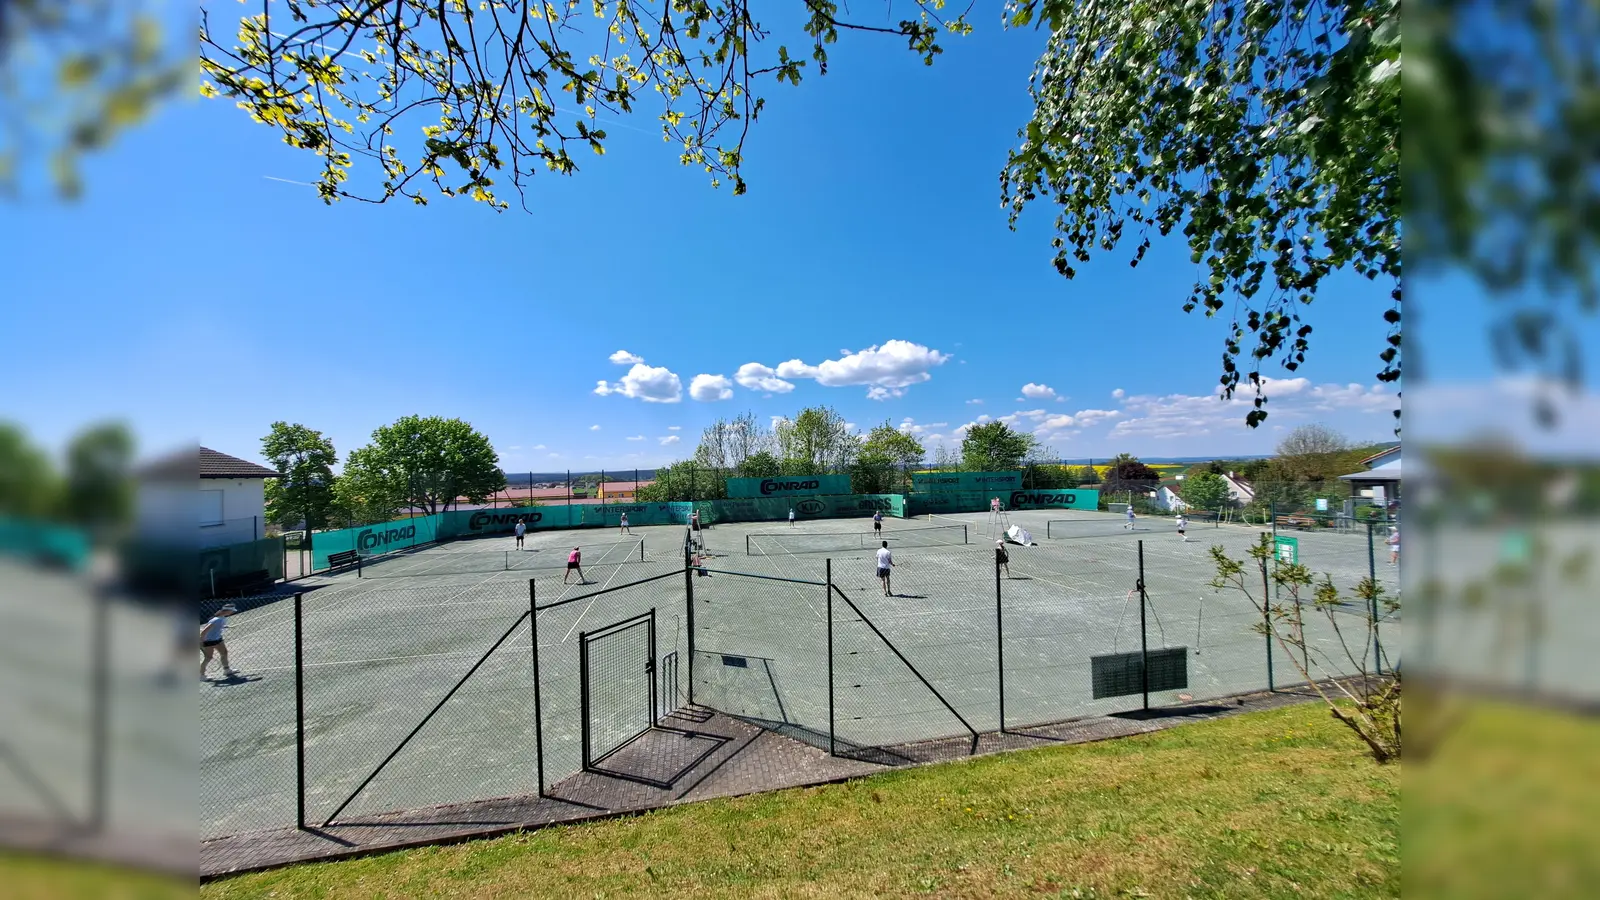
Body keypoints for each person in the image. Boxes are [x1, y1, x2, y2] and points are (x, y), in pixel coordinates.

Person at [200, 603, 238, 680]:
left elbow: (218, 626)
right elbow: (204, 632)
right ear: (227, 611)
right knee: (208, 658)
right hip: (209, 641)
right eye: (232, 611)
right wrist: (202, 641)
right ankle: (201, 675)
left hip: (218, 639)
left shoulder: (223, 618)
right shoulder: (216, 619)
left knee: (224, 653)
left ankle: (227, 670)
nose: (232, 612)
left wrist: (225, 626)